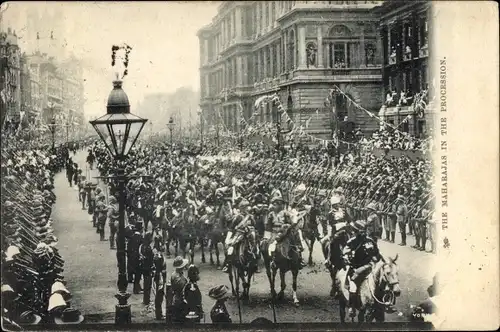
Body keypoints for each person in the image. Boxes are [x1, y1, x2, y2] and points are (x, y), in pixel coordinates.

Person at [342, 220, 383, 318]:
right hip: (356, 269)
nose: (362, 232)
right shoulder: (352, 242)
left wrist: (376, 258)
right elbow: (344, 254)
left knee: (383, 281)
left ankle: (385, 303)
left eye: (363, 230)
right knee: (353, 286)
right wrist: (347, 259)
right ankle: (352, 307)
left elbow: (377, 254)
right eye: (360, 231)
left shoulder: (370, 241)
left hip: (369, 268)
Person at [222, 199, 255, 273]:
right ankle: (227, 265)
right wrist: (228, 238)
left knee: (253, 248)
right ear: (241, 208)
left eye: (246, 207)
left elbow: (254, 225)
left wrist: (250, 228)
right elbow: (231, 228)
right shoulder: (237, 217)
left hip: (248, 235)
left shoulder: (250, 217)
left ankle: (254, 263)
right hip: (238, 235)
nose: (246, 209)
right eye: (244, 207)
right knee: (231, 248)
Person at [170, 256, 189, 323]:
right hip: (180, 299)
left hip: (176, 297)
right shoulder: (179, 278)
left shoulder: (174, 274)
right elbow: (183, 287)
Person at [140, 231, 154, 305]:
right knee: (148, 285)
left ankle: (146, 299)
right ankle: (147, 301)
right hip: (148, 268)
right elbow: (150, 259)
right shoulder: (148, 248)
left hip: (144, 267)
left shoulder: (143, 246)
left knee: (146, 284)